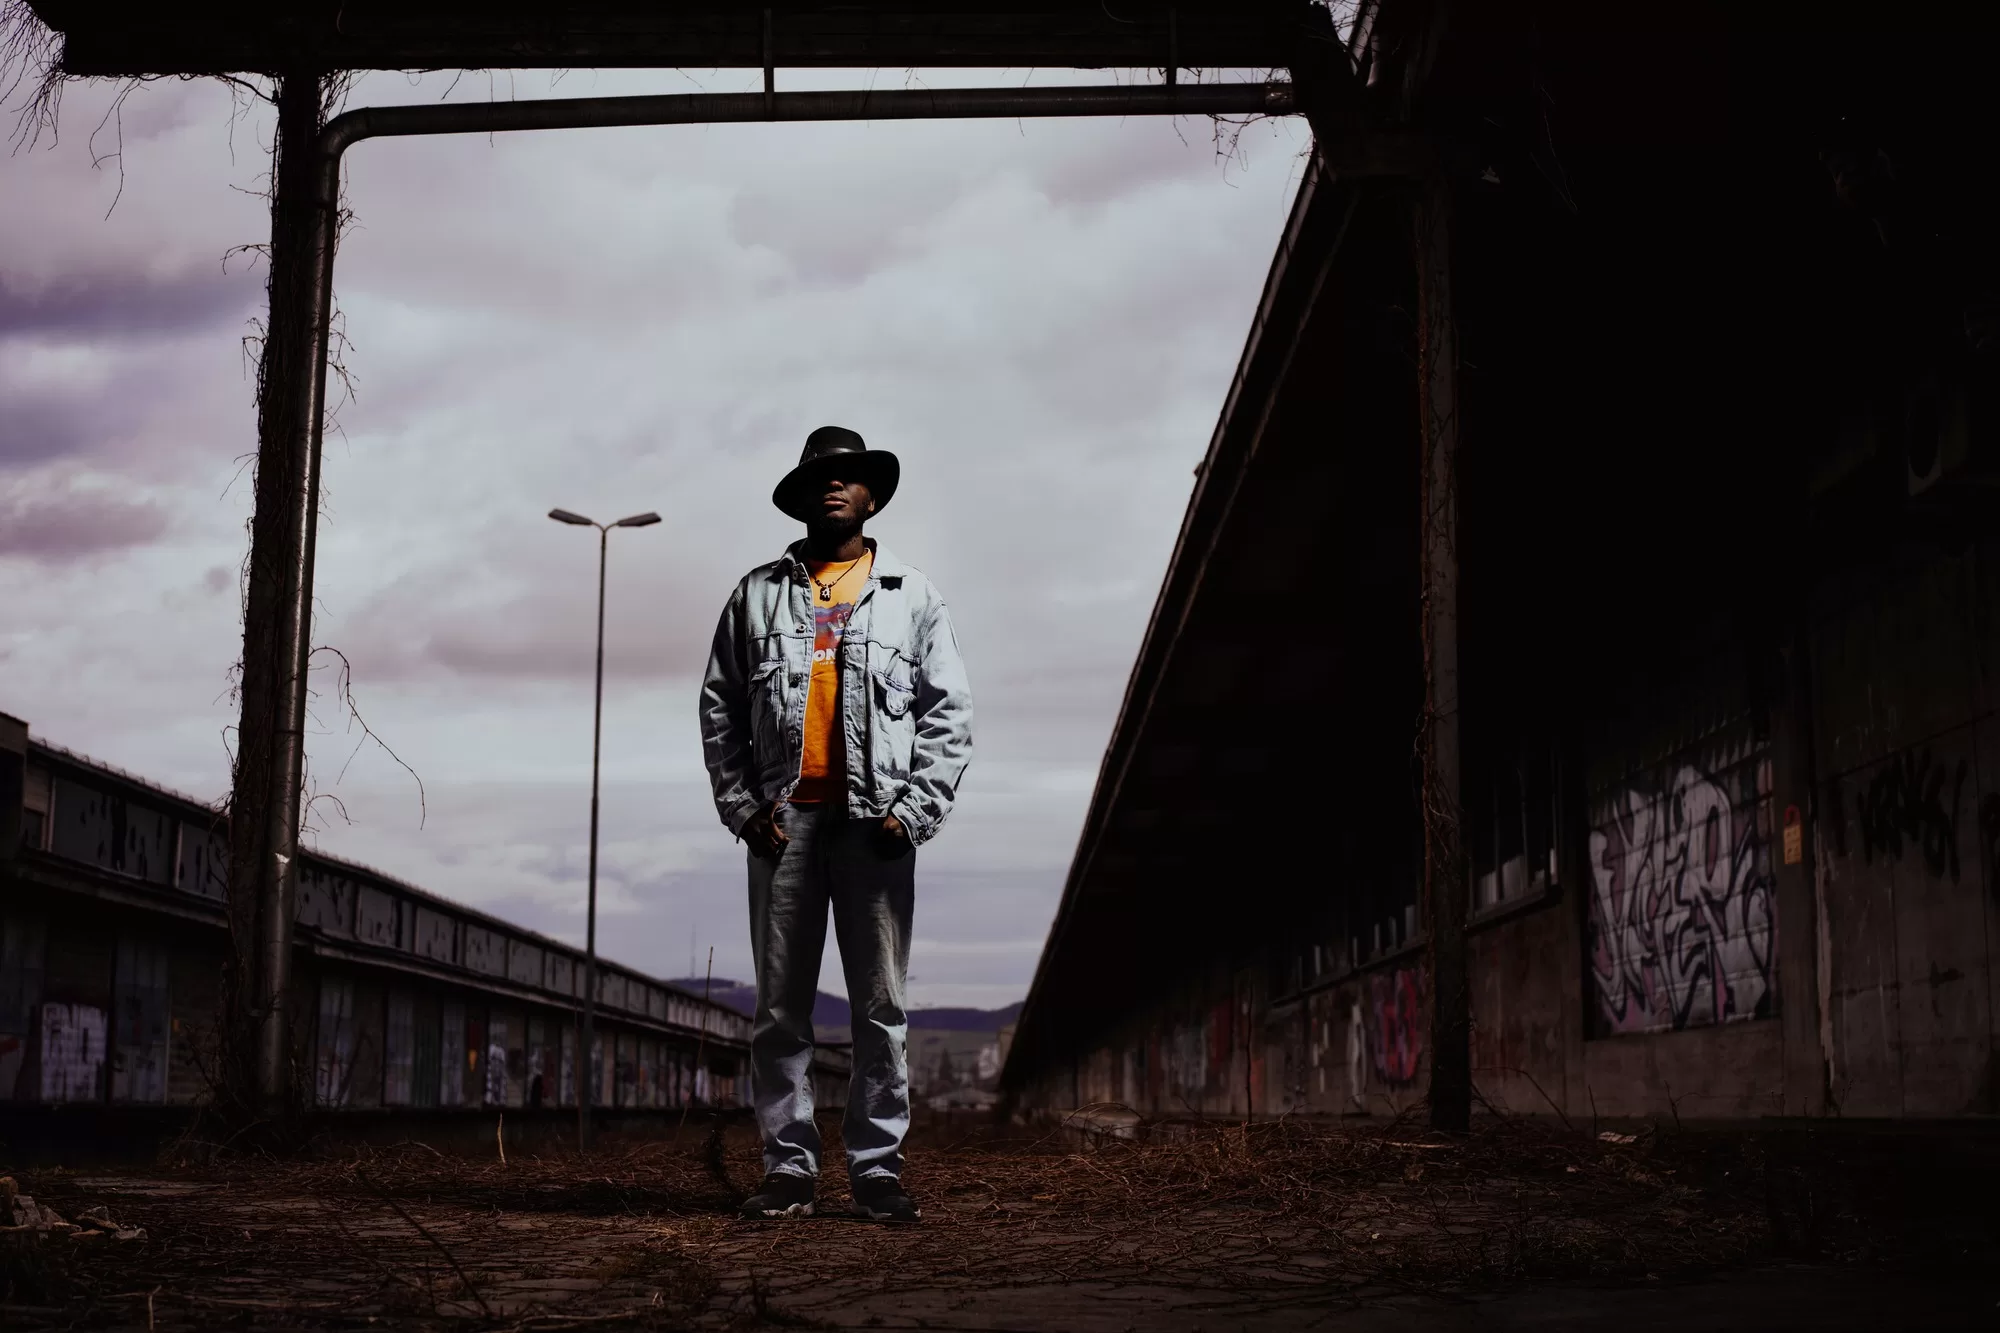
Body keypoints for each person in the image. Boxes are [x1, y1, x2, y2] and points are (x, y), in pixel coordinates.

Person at [698, 425, 973, 1223]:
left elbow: (949, 714)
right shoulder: (754, 595)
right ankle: (789, 1170)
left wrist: (914, 810)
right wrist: (742, 807)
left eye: (849, 476)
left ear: (871, 497)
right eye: (821, 476)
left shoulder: (912, 596)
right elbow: (719, 707)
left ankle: (876, 1170)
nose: (833, 485)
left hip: (874, 825)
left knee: (879, 1008)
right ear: (801, 498)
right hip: (782, 825)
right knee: (780, 1011)